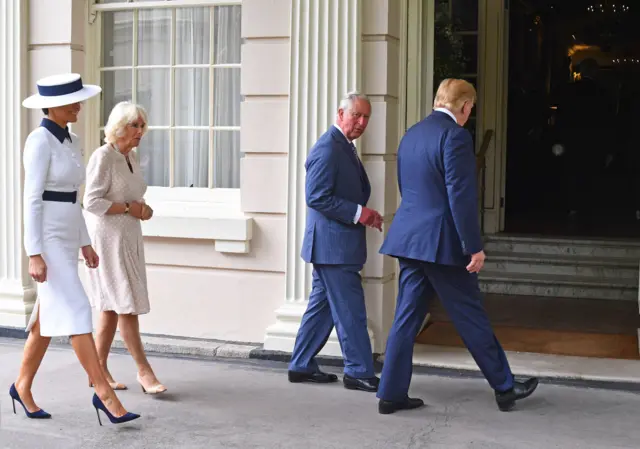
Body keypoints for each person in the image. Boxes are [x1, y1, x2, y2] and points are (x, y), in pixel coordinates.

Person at [376, 79, 539, 414]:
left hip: (411, 240)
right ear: (464, 106)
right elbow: (460, 198)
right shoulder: (456, 136)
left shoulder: (413, 133)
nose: (470, 114)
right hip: (442, 244)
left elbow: (408, 189)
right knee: (471, 317)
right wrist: (473, 247)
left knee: (405, 320)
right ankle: (505, 387)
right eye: (471, 109)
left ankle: (390, 393)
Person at [9, 73, 140, 425]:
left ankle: (22, 386)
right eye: (72, 101)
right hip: (48, 237)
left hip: (68, 234)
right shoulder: (39, 141)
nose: (78, 106)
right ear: (52, 106)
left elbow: (74, 199)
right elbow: (32, 200)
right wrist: (33, 252)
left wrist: (85, 243)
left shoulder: (72, 139)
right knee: (79, 308)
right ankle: (104, 393)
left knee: (44, 321)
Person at [287, 92, 383, 392]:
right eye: (356, 115)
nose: (362, 122)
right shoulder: (329, 147)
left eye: (366, 117)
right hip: (334, 248)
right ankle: (358, 371)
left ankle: (301, 364)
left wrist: (363, 214)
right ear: (341, 114)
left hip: (334, 246)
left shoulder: (343, 146)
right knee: (350, 309)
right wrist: (359, 213)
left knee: (323, 307)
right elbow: (316, 196)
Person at [83, 101, 166, 394]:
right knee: (125, 304)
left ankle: (98, 370)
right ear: (118, 127)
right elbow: (91, 202)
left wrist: (142, 210)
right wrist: (130, 208)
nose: (140, 131)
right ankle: (144, 371)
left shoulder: (130, 157)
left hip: (129, 238)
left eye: (142, 126)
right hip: (107, 240)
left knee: (110, 307)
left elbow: (131, 198)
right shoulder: (103, 157)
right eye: (135, 125)